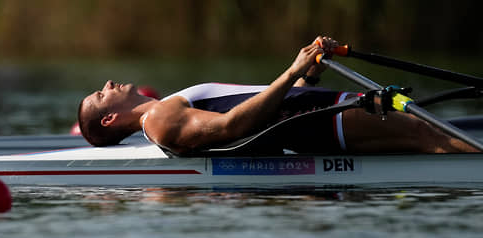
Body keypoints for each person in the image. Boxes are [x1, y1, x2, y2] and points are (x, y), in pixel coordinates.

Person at [77, 36, 480, 155]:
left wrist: (307, 75)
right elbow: (233, 126)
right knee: (431, 136)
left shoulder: (163, 110)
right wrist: (290, 71)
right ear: (110, 119)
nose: (109, 84)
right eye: (101, 94)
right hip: (320, 122)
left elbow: (264, 109)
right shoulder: (161, 121)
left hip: (317, 114)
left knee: (433, 136)